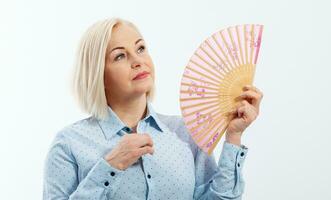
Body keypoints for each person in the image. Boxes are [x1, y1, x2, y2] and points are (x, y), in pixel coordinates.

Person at [43, 18, 263, 200]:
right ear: (98, 75)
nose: (138, 60)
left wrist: (234, 136)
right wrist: (111, 166)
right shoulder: (69, 144)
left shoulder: (184, 133)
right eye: (120, 55)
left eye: (140, 48)